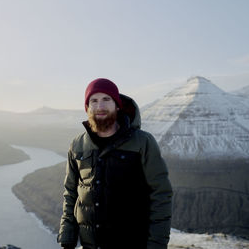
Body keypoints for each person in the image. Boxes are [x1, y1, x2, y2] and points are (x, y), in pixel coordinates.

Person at [57, 78, 172, 249]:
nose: (100, 106)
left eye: (106, 99)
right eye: (93, 101)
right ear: (87, 107)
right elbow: (71, 193)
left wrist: (156, 244)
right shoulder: (78, 145)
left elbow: (161, 195)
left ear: (117, 105)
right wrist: (67, 237)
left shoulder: (142, 142)